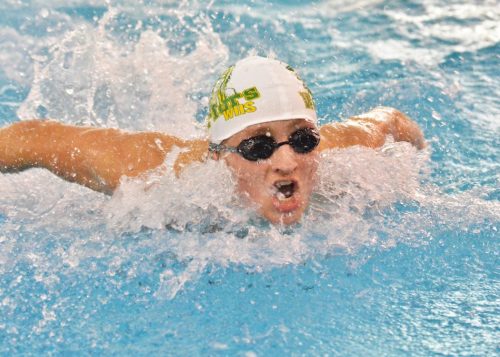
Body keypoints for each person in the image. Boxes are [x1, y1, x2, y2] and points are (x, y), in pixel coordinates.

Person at [0, 56, 425, 225]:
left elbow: (392, 121)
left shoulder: (338, 150)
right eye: (257, 146)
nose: (287, 161)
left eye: (301, 138)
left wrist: (420, 161)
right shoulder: (158, 174)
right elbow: (37, 138)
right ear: (219, 153)